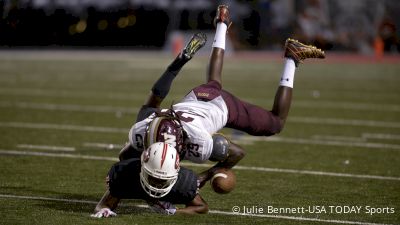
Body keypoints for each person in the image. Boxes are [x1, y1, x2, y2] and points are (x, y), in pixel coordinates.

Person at [120, 5, 325, 187]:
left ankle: (292, 58)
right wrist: (177, 65)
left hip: (220, 106)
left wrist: (205, 175)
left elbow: (238, 152)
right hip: (194, 98)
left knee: (276, 123)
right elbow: (155, 97)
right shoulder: (142, 129)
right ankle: (222, 23)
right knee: (213, 82)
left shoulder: (198, 143)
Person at [91, 142, 208, 217]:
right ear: (142, 168)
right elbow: (102, 205)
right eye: (152, 177)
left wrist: (174, 213)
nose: (156, 185)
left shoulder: (184, 183)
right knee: (125, 155)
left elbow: (202, 207)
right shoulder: (126, 173)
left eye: (162, 180)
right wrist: (104, 210)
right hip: (137, 152)